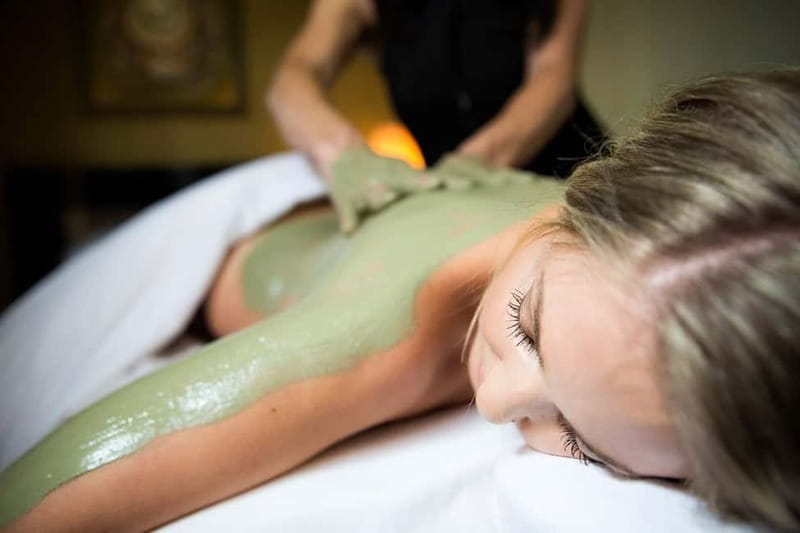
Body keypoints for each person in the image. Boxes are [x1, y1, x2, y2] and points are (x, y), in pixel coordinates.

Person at [1, 70, 799, 532]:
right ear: (588, 185)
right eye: (525, 327)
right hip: (276, 217)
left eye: (590, 447)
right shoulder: (391, 324)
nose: (494, 402)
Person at [267, 0, 604, 183]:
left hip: (570, 178)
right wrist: (344, 155)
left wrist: (470, 166)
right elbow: (295, 76)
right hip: (448, 193)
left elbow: (553, 80)